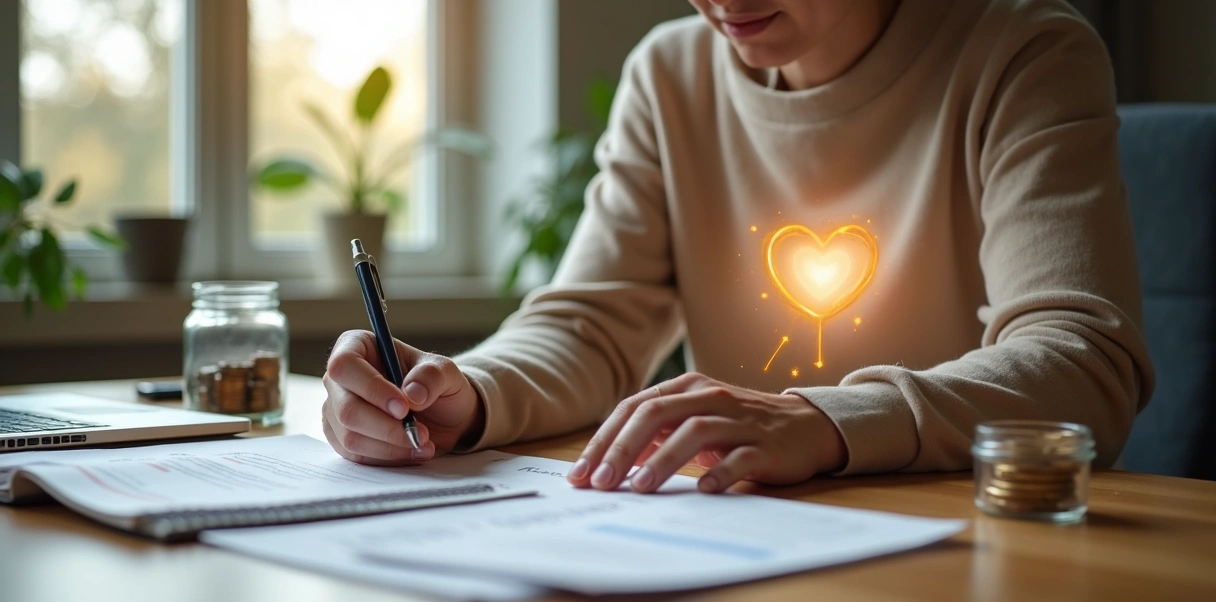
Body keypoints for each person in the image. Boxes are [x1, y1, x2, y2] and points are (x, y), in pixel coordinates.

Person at [320, 0, 1154, 495]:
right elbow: (591, 328)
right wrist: (470, 392)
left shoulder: (1023, 52)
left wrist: (824, 420)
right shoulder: (671, 74)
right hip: (747, 537)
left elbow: (1081, 364)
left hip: (960, 543)